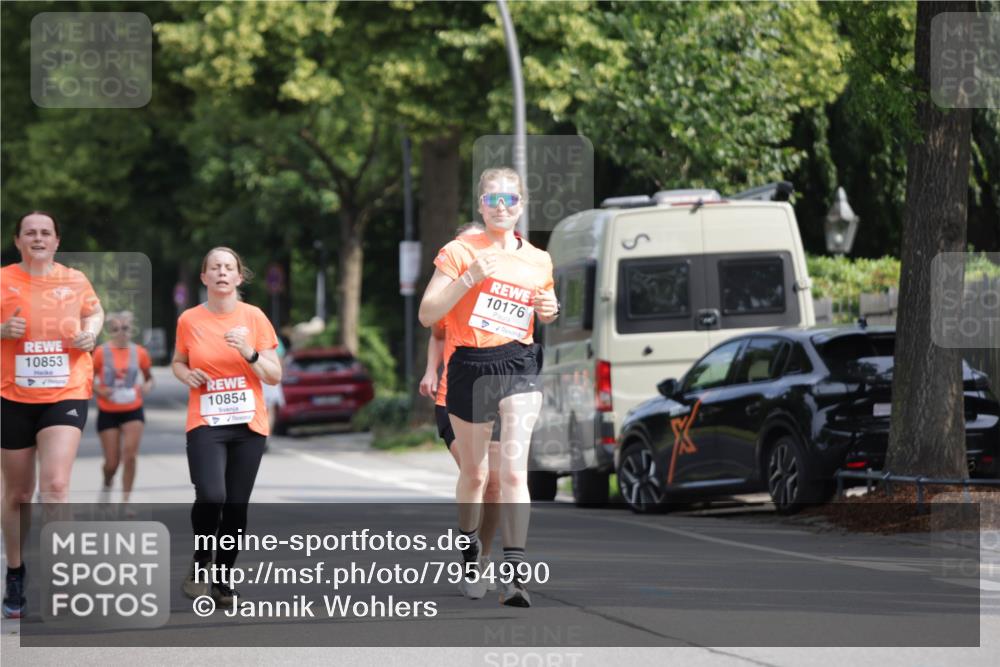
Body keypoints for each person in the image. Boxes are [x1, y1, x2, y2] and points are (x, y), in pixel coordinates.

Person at [419, 168, 559, 607]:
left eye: (510, 199)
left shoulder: (538, 259)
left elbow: (543, 309)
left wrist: (550, 309)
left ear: (521, 205)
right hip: (470, 367)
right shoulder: (460, 251)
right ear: (481, 205)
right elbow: (427, 314)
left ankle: (515, 574)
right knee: (476, 475)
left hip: (520, 363)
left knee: (513, 473)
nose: (502, 206)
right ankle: (469, 549)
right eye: (493, 199)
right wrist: (469, 277)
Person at [1, 211, 104, 619]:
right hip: (12, 395)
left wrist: (90, 332)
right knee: (18, 493)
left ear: (57, 241)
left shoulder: (74, 280)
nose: (38, 238)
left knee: (56, 485)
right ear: (17, 240)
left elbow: (94, 312)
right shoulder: (3, 279)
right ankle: (15, 571)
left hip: (66, 390)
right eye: (30, 233)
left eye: (46, 233)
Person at [172, 247, 281, 607]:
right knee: (211, 494)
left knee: (235, 506)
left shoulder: (254, 317)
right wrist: (186, 374)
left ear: (238, 276)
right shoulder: (189, 319)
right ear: (204, 277)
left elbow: (274, 375)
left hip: (248, 424)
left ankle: (222, 580)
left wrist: (249, 352)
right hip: (206, 421)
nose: (221, 272)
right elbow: (178, 361)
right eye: (215, 267)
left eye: (228, 267)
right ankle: (202, 558)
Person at [419, 222, 501, 598]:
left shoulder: (505, 291)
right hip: (452, 397)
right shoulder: (450, 292)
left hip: (498, 398)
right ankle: (470, 556)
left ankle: (483, 555)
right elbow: (436, 334)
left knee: (496, 484)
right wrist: (430, 371)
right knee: (476, 473)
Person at [93, 311, 153, 503]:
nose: (121, 333)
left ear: (131, 330)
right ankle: (107, 482)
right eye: (116, 329)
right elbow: (86, 378)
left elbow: (149, 377)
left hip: (133, 409)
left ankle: (126, 501)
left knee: (130, 456)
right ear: (109, 331)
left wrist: (147, 386)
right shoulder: (100, 352)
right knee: (112, 462)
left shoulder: (140, 352)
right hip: (108, 410)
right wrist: (99, 390)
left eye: (125, 328)